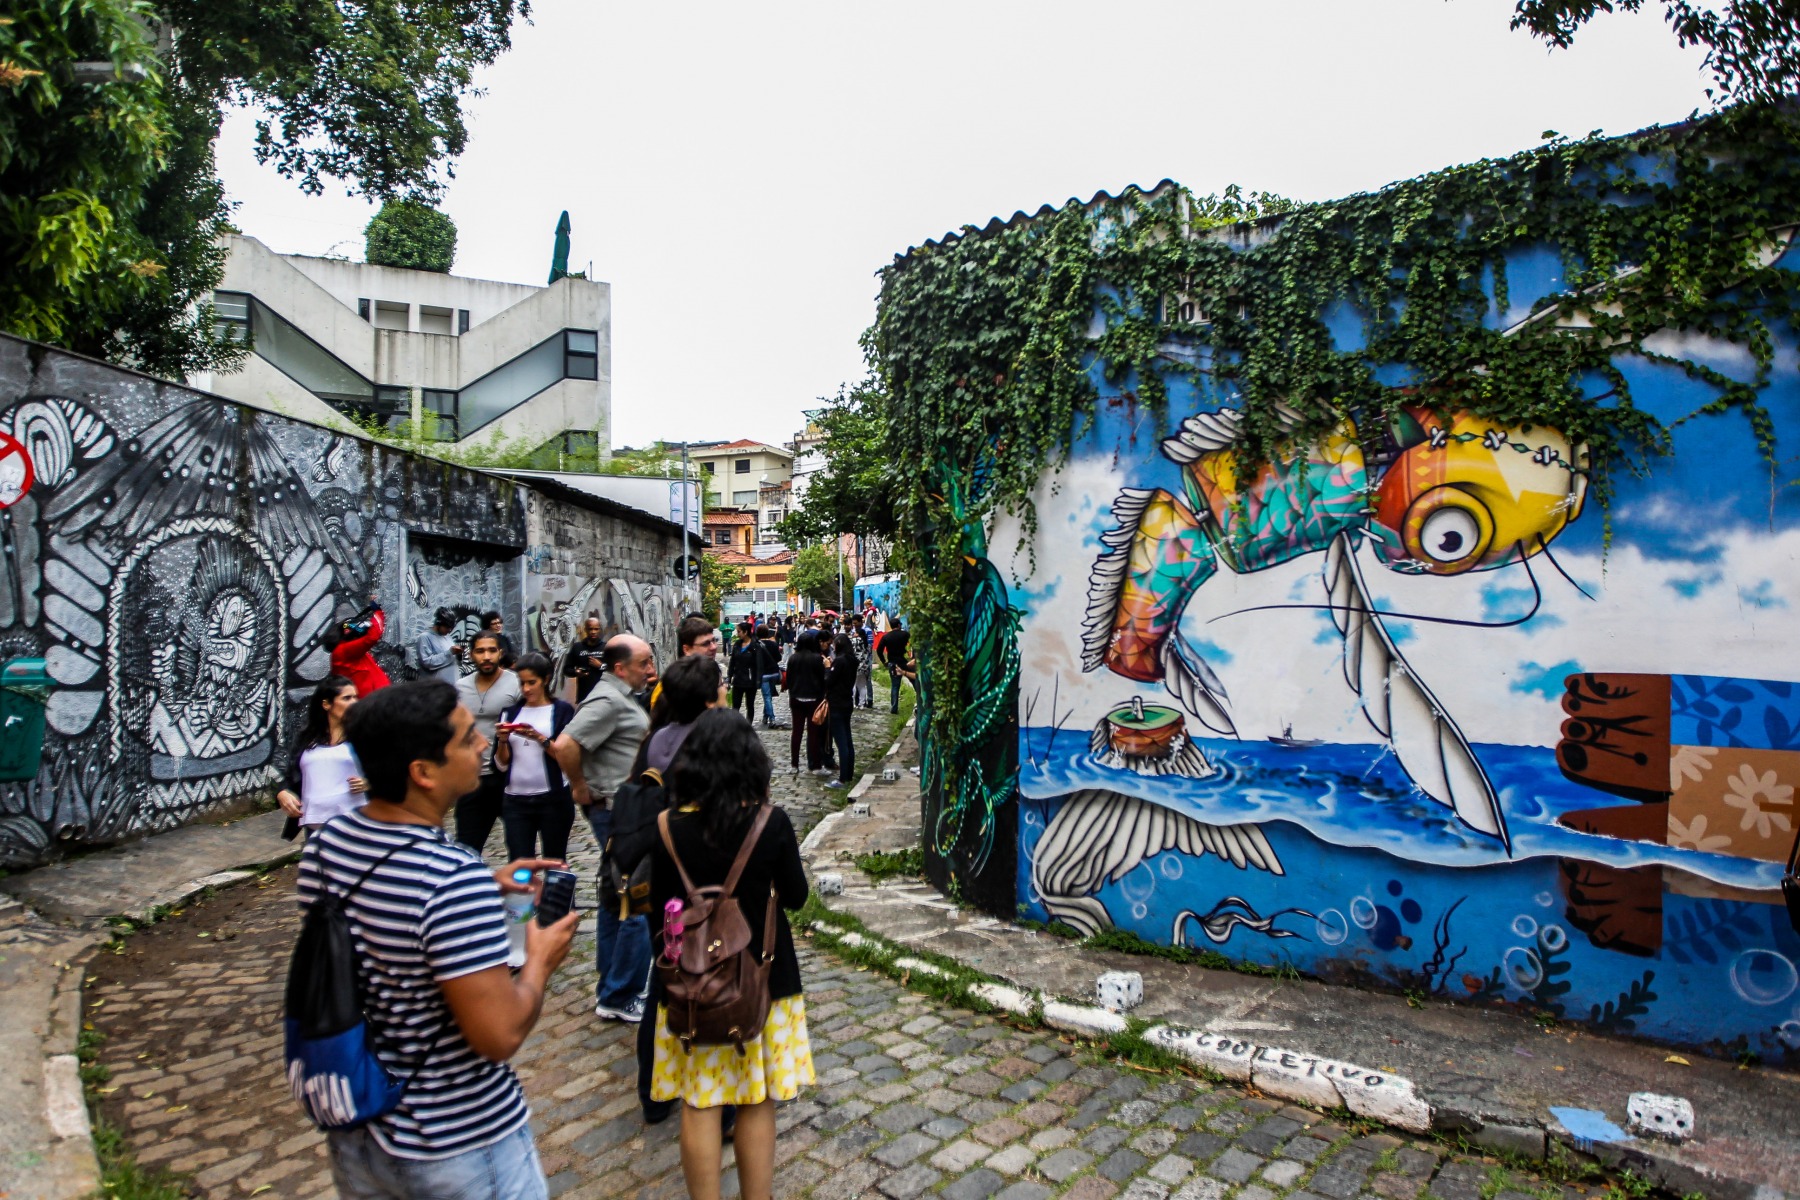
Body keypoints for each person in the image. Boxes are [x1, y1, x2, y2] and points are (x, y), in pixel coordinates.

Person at [298, 680, 578, 1199]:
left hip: (362, 1130)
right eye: (467, 737)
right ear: (423, 772)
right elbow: (498, 1034)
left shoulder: (328, 845)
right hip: (459, 1141)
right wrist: (540, 960)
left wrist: (484, 883)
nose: (482, 743)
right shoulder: (450, 877)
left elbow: (386, 920)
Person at [648, 709, 814, 1200]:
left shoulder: (667, 828)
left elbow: (660, 912)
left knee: (700, 1102)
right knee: (756, 1098)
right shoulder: (770, 823)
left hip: (692, 983)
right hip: (763, 980)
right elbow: (797, 896)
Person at [550, 634, 655, 1023]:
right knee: (638, 900)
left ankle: (612, 985)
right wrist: (579, 786)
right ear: (620, 668)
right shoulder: (608, 700)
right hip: (614, 810)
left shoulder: (621, 695)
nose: (650, 670)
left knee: (615, 899)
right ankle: (621, 992)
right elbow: (565, 745)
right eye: (644, 663)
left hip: (623, 808)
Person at [494, 653, 577, 861]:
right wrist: (503, 740)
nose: (526, 689)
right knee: (520, 864)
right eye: (522, 683)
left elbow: (567, 757)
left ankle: (556, 885)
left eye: (532, 682)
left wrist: (539, 737)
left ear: (546, 679)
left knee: (554, 861)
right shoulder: (510, 713)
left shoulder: (561, 711)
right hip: (515, 800)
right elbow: (502, 763)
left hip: (553, 799)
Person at [453, 631, 522, 852]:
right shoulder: (460, 687)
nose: (486, 657)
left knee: (519, 847)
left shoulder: (516, 683)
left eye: (492, 650)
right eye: (480, 651)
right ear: (471, 654)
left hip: (508, 777)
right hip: (472, 778)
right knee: (467, 847)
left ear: (500, 653)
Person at [276, 676, 368, 830]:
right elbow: (292, 776)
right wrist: (282, 793)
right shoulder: (307, 737)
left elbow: (391, 770)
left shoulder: (364, 734)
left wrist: (370, 783)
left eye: (355, 697)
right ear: (326, 704)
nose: (354, 703)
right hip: (315, 828)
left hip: (356, 825)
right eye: (347, 698)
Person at [782, 631, 829, 776]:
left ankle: (794, 764)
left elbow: (789, 678)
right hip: (814, 698)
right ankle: (816, 765)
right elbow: (822, 678)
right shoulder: (817, 659)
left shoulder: (793, 658)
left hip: (796, 698)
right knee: (814, 733)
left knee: (797, 732)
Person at [325, 600, 390, 695]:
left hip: (377, 697)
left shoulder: (345, 651)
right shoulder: (342, 651)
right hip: (372, 699)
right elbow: (372, 637)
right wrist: (378, 612)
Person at [824, 632, 857, 789]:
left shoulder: (840, 661)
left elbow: (829, 681)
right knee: (848, 739)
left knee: (841, 741)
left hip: (836, 703)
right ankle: (849, 773)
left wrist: (828, 668)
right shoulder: (852, 660)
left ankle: (843, 778)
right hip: (847, 701)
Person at [563, 616, 608, 703]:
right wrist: (576, 672)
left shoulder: (606, 647)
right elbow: (566, 669)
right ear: (585, 630)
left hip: (603, 696)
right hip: (584, 697)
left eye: (596, 629)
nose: (593, 632)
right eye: (590, 629)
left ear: (600, 630)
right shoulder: (577, 647)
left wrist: (601, 666)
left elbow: (614, 670)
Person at [416, 607, 464, 684]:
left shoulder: (447, 636)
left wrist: (458, 654)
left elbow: (451, 659)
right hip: (437, 686)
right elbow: (427, 662)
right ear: (438, 624)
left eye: (451, 628)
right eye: (447, 627)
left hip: (453, 684)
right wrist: (450, 652)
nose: (450, 630)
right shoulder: (425, 637)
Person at [755, 623, 785, 728]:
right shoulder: (773, 644)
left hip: (764, 674)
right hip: (774, 673)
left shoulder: (756, 645)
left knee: (767, 696)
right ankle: (765, 716)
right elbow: (778, 658)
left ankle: (772, 718)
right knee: (769, 696)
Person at [880, 620, 912, 714]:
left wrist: (884, 661)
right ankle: (920, 702)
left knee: (895, 686)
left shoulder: (886, 637)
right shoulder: (905, 634)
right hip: (904, 662)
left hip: (893, 663)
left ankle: (894, 707)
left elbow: (879, 650)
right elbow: (913, 644)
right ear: (898, 625)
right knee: (914, 681)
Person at [728, 623, 759, 723]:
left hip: (750, 681)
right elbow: (732, 662)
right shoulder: (737, 644)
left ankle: (748, 724)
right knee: (736, 705)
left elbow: (759, 664)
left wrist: (758, 679)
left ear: (745, 632)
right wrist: (729, 676)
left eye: (739, 632)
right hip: (738, 679)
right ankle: (735, 725)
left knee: (750, 704)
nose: (737, 634)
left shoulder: (755, 646)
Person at [849, 614, 873, 709]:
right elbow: (870, 648)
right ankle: (862, 703)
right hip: (864, 663)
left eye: (855, 623)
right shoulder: (865, 640)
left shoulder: (854, 639)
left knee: (854, 684)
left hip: (854, 663)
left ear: (860, 621)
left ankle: (854, 703)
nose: (854, 625)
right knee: (862, 685)